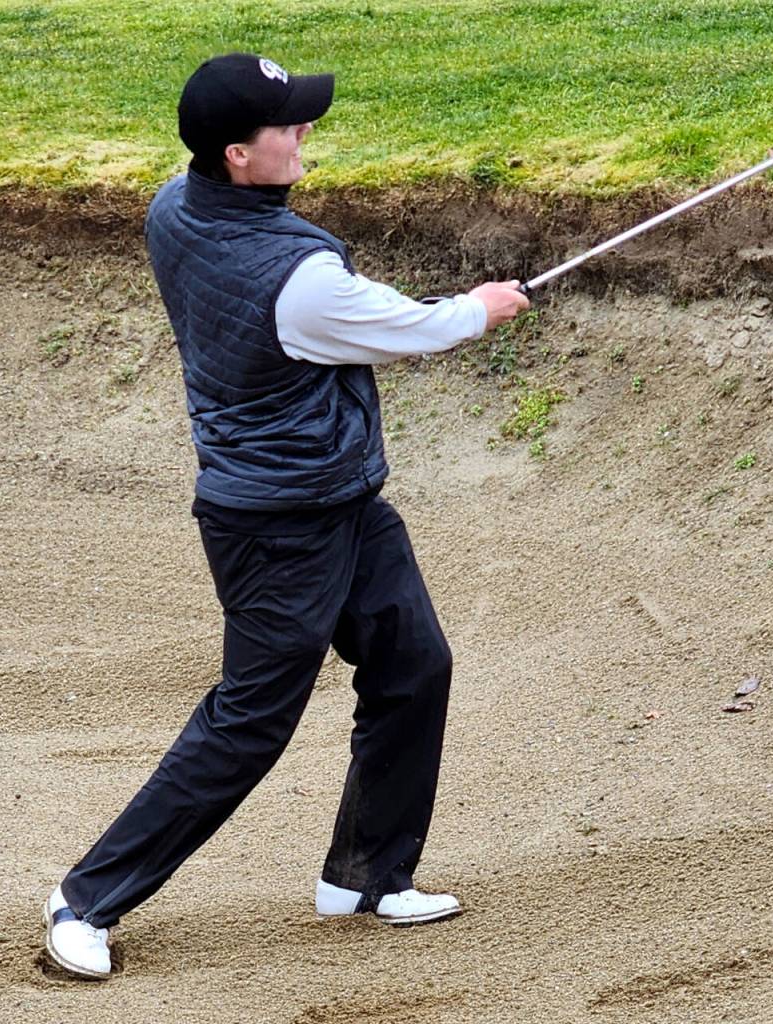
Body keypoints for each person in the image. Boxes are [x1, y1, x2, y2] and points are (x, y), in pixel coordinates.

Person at [43, 51, 529, 979]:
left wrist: (455, 313)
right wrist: (479, 307)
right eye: (286, 125)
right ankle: (85, 899)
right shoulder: (299, 279)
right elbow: (417, 330)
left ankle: (368, 875)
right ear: (236, 153)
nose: (305, 130)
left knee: (414, 664)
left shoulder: (172, 206)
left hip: (338, 498)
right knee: (250, 720)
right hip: (277, 526)